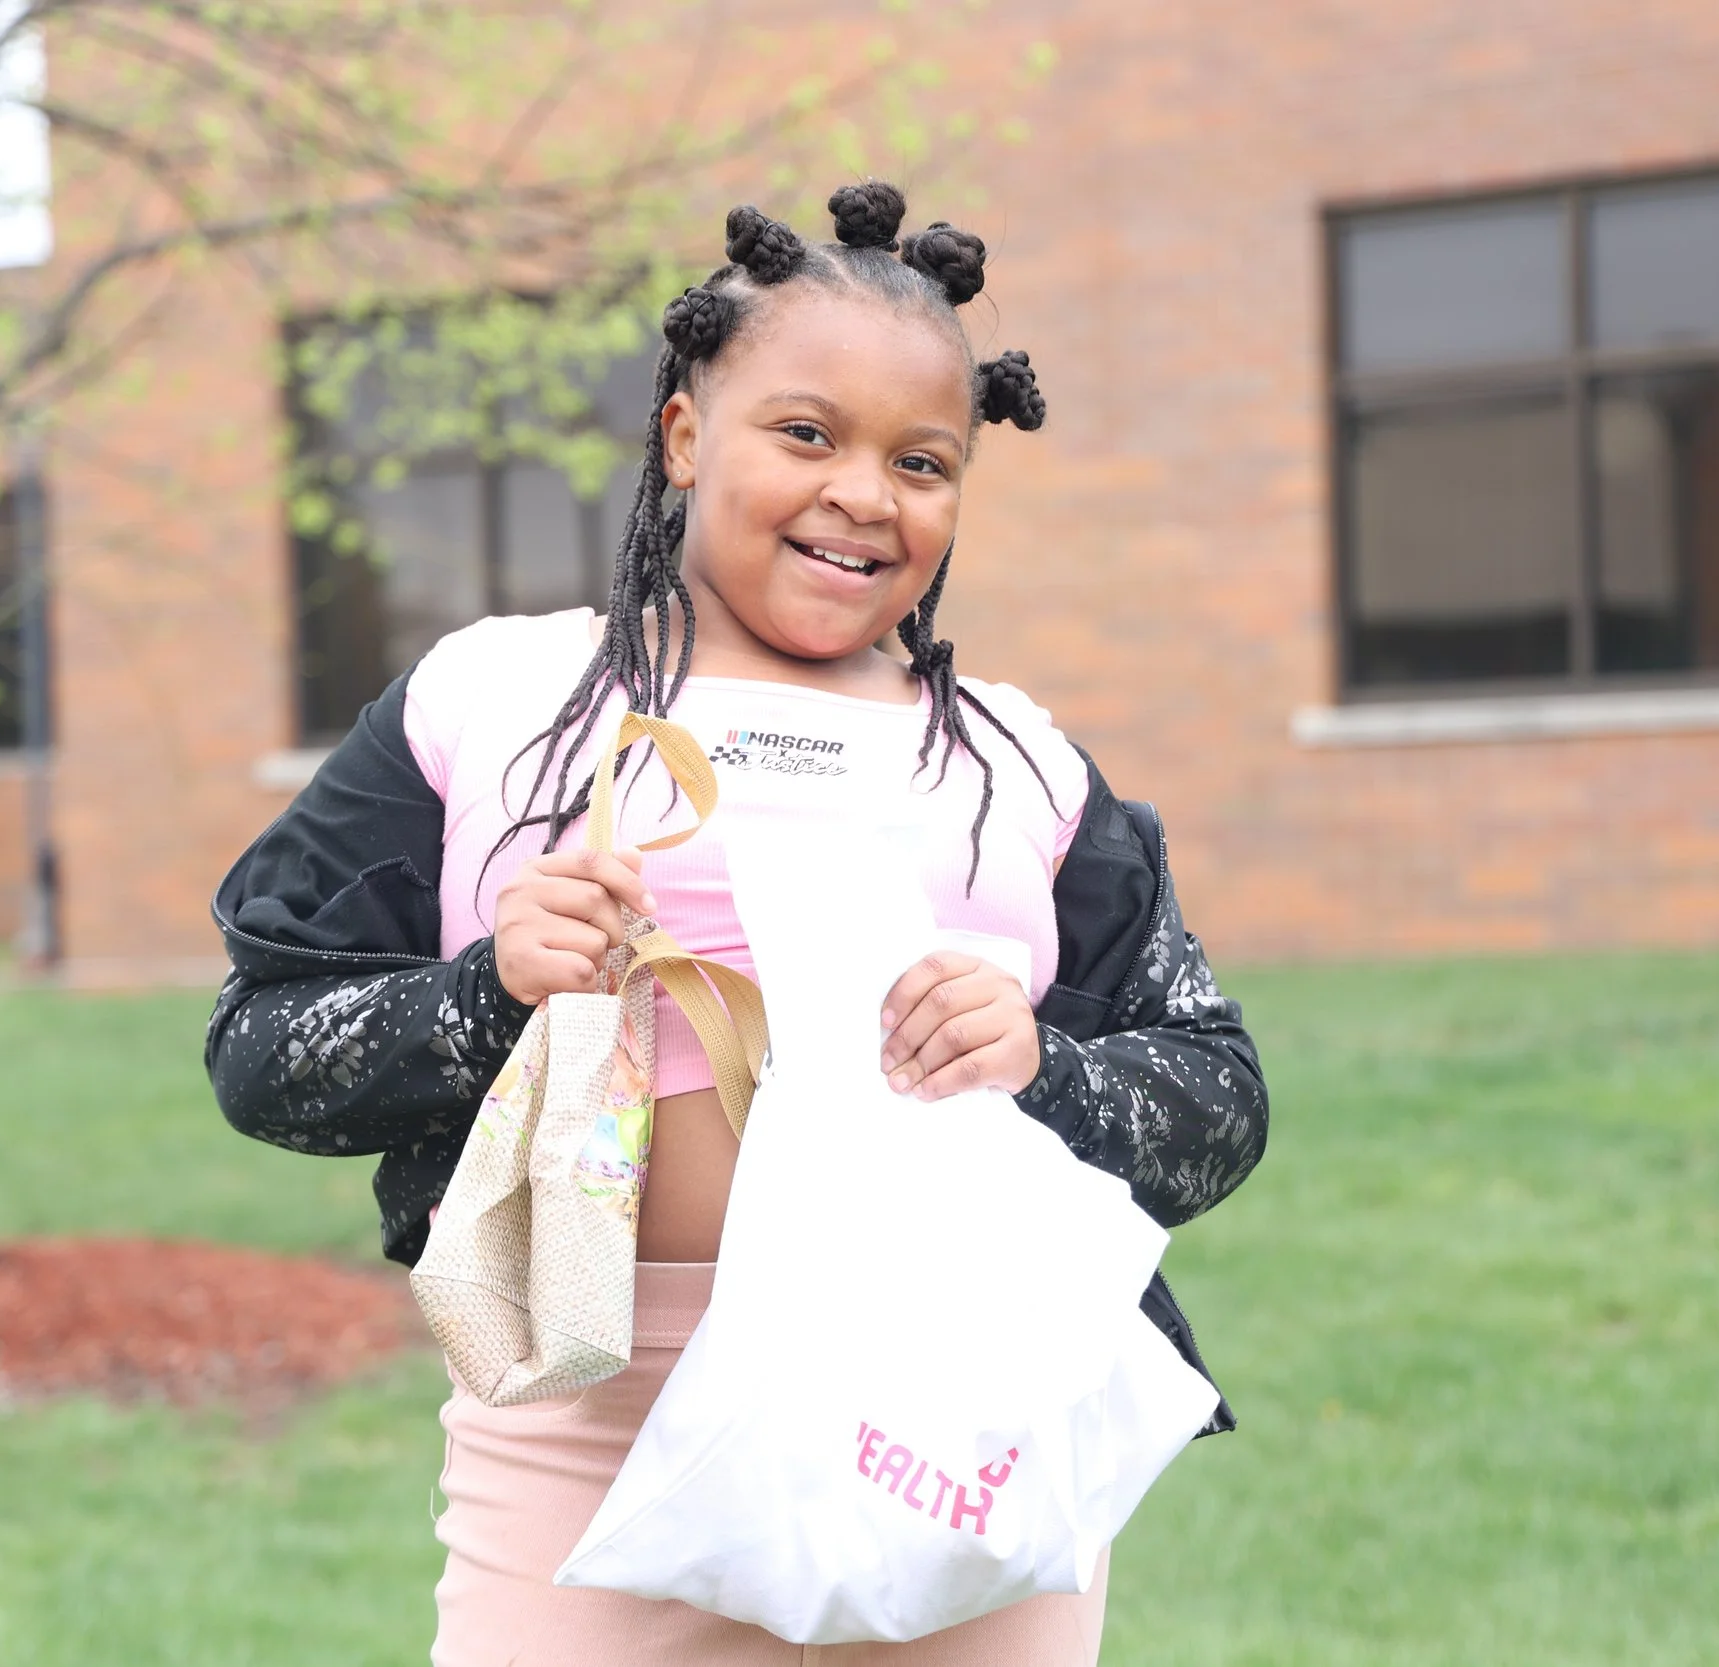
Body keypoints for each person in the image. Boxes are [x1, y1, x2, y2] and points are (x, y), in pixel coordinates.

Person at [206, 184, 1269, 1665]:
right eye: (807, 434)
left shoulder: (1018, 764)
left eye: (921, 461)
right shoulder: (494, 701)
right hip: (588, 1435)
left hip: (959, 1427)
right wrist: (487, 993)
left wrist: (1046, 1067)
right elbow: (262, 1053)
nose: (864, 494)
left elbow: (1218, 1096)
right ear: (686, 434)